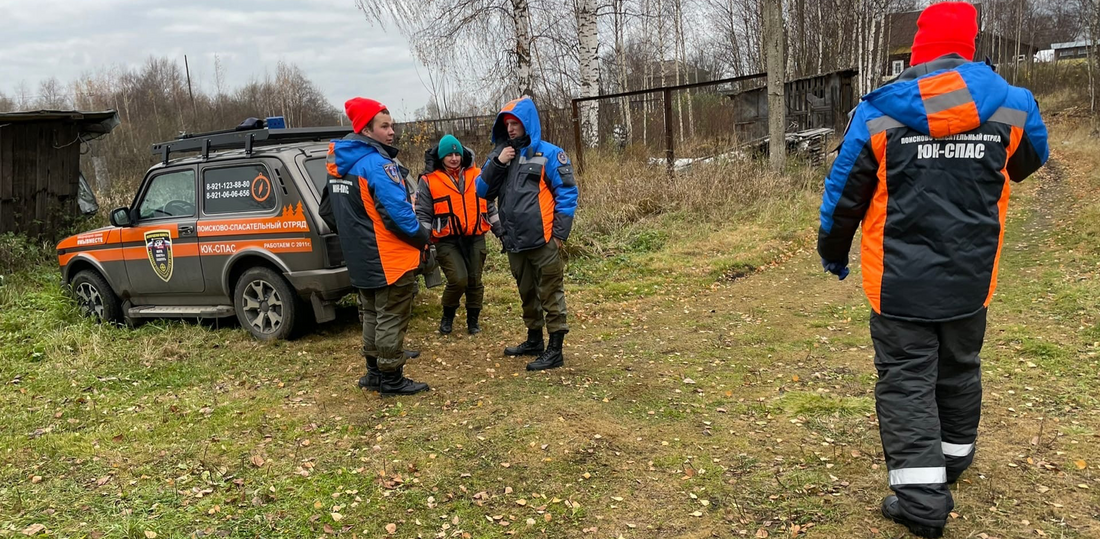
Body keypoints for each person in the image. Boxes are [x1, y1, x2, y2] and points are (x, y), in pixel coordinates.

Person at [817, 3, 1048, 537]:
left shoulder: (879, 111)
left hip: (898, 282)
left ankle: (922, 503)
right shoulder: (1012, 105)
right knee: (960, 365)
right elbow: (1028, 162)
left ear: (918, 50)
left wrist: (833, 250)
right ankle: (953, 460)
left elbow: (843, 197)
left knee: (905, 380)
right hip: (973, 275)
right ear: (970, 46)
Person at [321, 97, 433, 396]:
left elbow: (327, 212)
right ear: (366, 130)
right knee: (391, 316)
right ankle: (392, 378)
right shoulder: (378, 165)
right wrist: (424, 236)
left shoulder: (338, 167)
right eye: (384, 126)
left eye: (391, 125)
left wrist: (353, 236)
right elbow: (399, 217)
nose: (391, 132)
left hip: (360, 257)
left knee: (370, 314)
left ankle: (373, 374)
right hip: (389, 258)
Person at [476, 97, 578, 371]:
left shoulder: (550, 154)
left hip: (543, 240)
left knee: (550, 292)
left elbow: (567, 193)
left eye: (515, 123)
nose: (510, 129)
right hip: (514, 242)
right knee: (527, 293)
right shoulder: (500, 156)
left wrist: (558, 234)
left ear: (527, 124)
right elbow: (482, 191)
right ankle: (534, 339)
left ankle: (555, 349)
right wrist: (497, 162)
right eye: (507, 124)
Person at [416, 135, 501, 335]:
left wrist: (501, 232)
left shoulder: (478, 174)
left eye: (457, 154)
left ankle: (473, 321)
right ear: (441, 157)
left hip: (475, 236)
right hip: (447, 239)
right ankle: (447, 316)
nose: (454, 158)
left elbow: (489, 206)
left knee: (475, 280)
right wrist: (423, 242)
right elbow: (423, 213)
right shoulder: (429, 181)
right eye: (449, 155)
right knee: (458, 280)